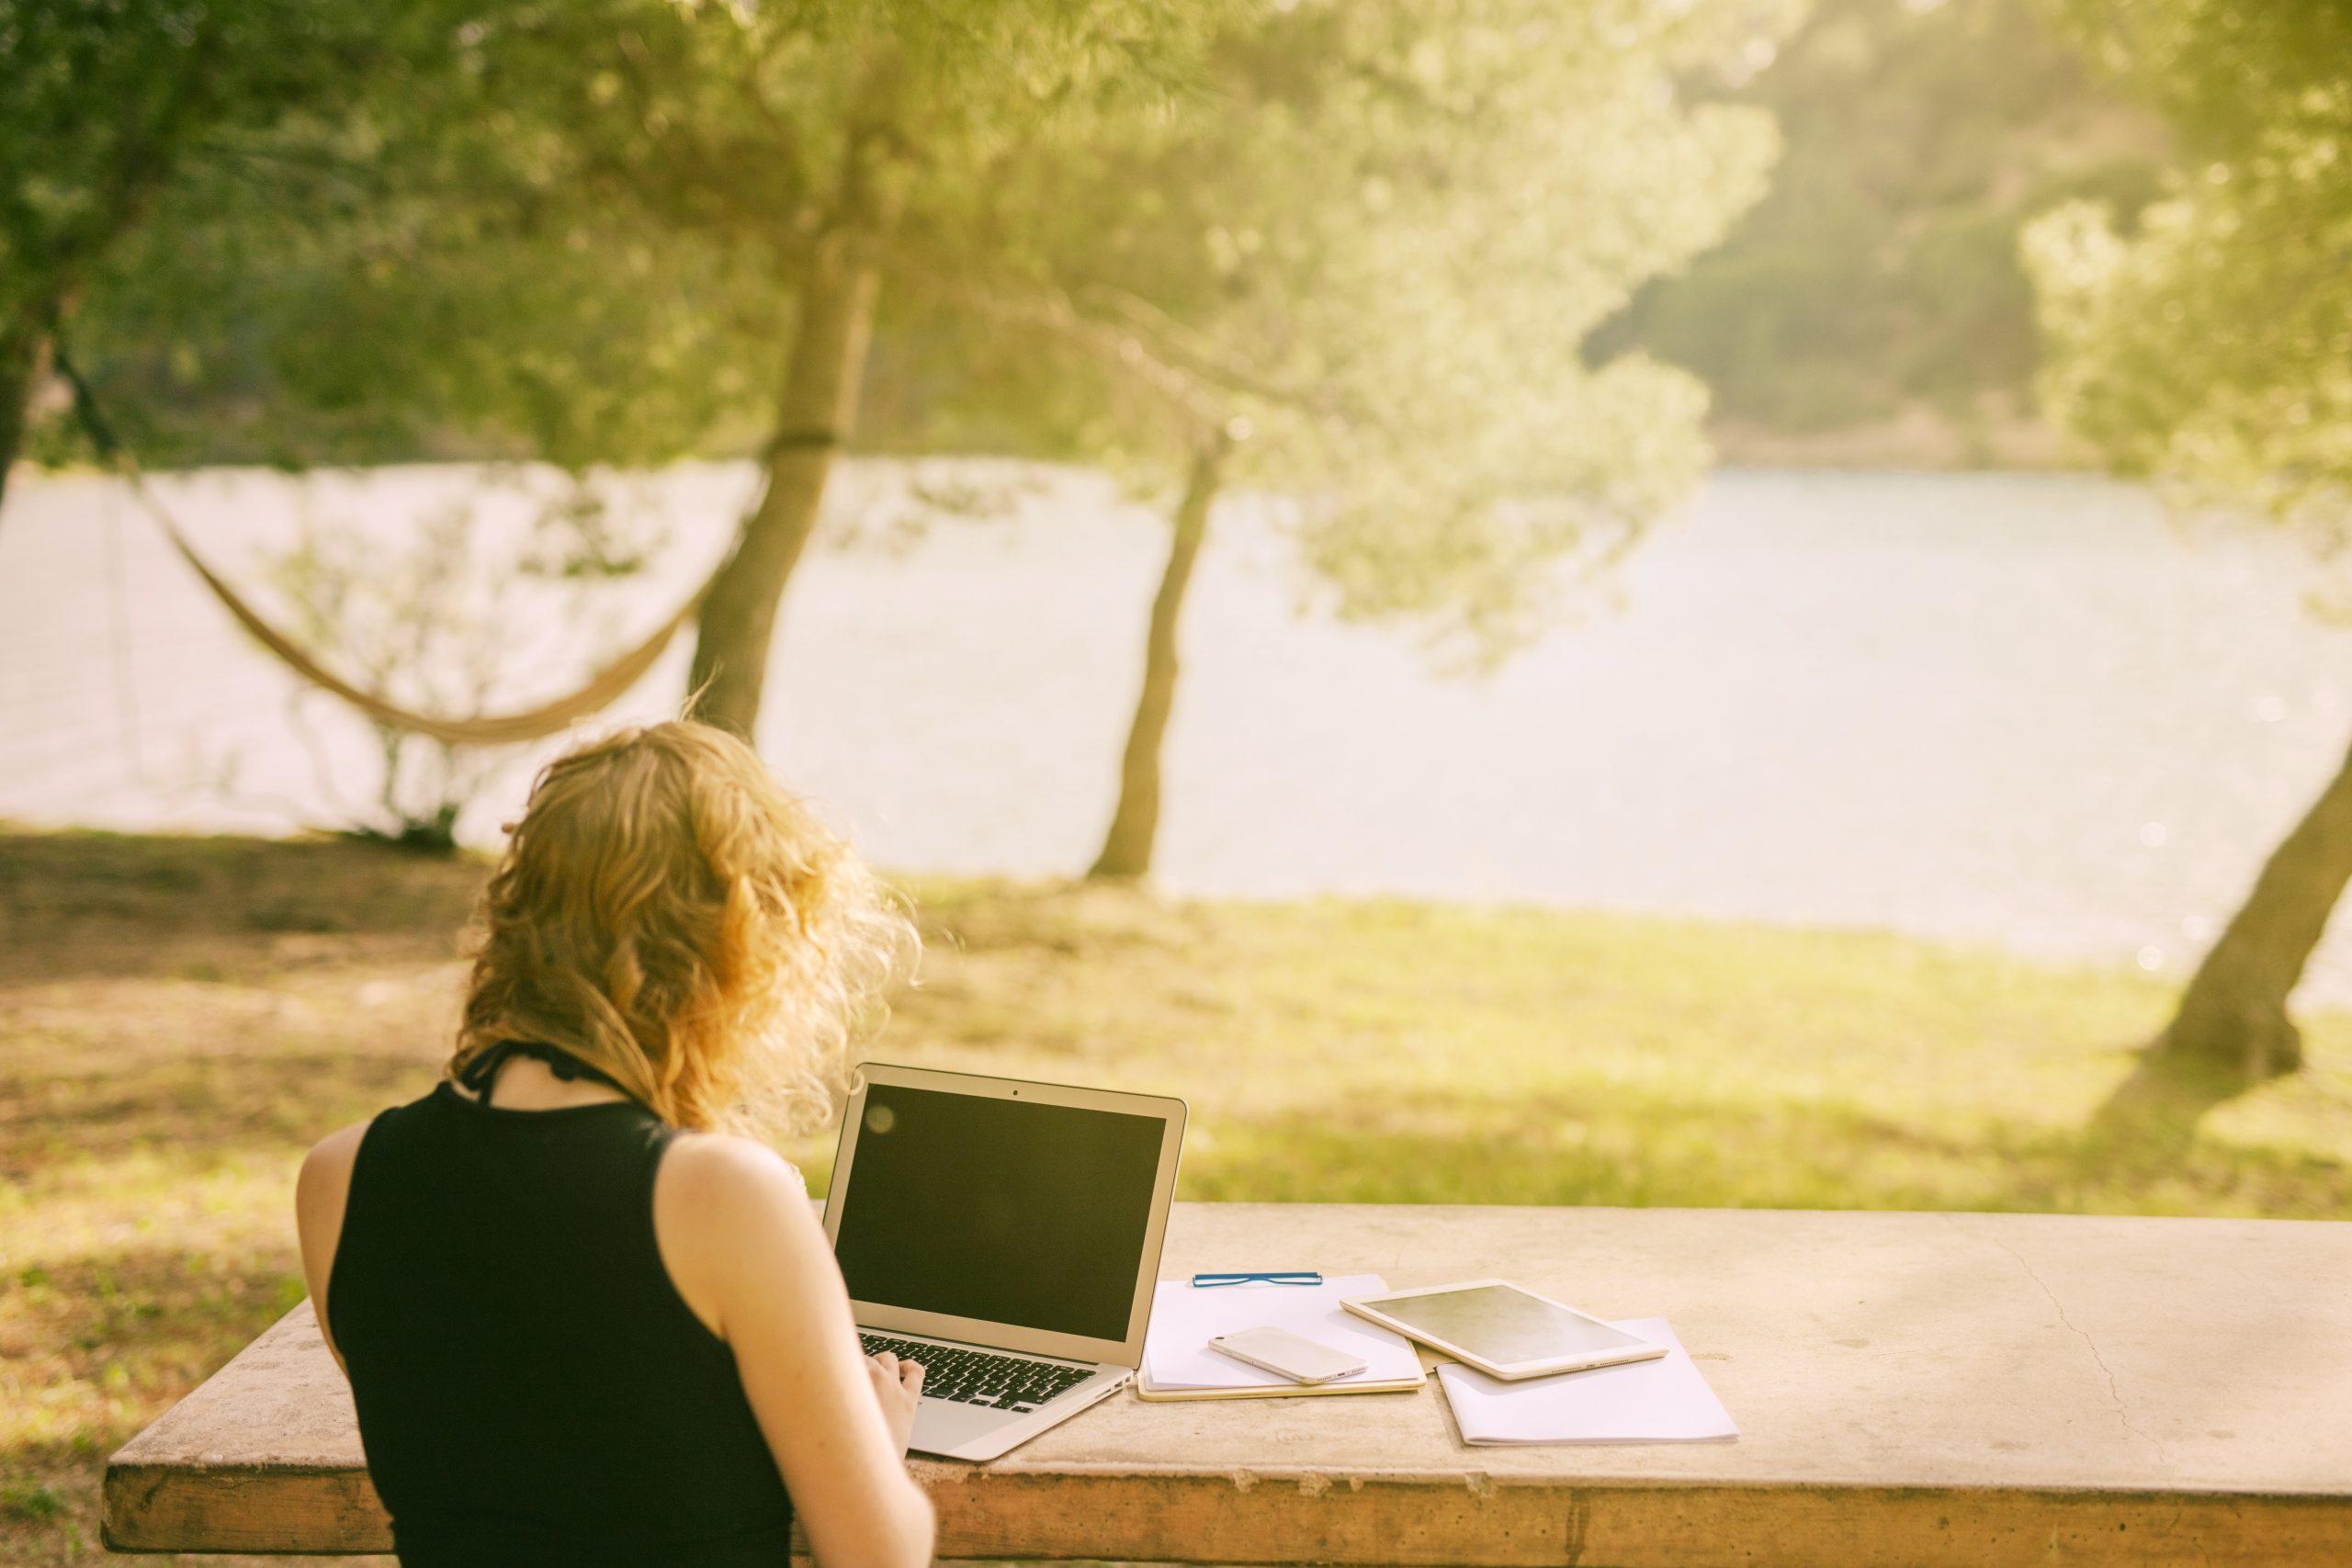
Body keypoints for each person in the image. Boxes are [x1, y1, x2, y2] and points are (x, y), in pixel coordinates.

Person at [292, 720, 932, 1567]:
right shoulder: (725, 1195)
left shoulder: (339, 1176)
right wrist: (874, 1441)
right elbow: (878, 1556)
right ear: (741, 953)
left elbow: (517, 1451)